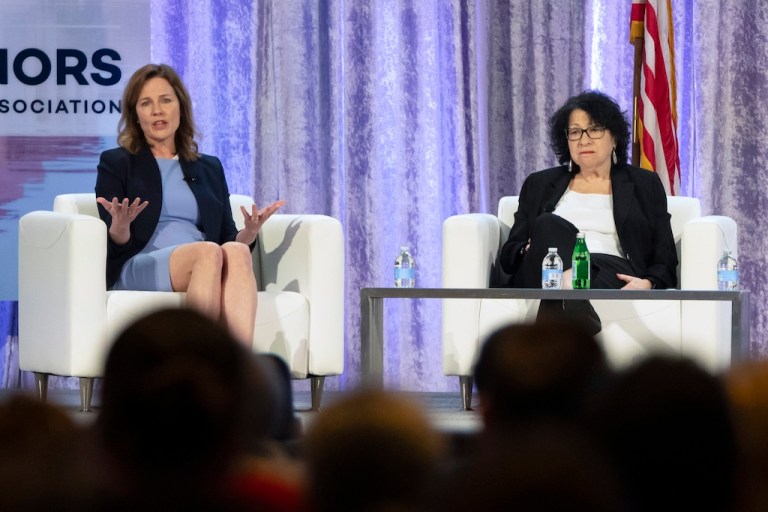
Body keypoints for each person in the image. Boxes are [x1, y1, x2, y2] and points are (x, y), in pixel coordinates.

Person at [95, 63, 284, 346]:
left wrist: (250, 232)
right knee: (209, 253)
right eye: (146, 103)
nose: (157, 110)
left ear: (180, 108)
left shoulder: (208, 166)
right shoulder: (117, 162)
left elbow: (226, 237)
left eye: (166, 100)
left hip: (205, 258)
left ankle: (239, 366)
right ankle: (196, 364)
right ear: (135, 115)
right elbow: (116, 242)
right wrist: (119, 225)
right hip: (140, 262)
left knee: (236, 251)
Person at [498, 90, 677, 333]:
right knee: (548, 224)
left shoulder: (644, 184)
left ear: (614, 138)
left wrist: (649, 282)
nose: (584, 139)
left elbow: (664, 253)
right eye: (575, 132)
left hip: (610, 271)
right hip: (544, 267)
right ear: (567, 141)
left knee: (566, 274)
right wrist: (529, 248)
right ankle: (575, 294)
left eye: (595, 129)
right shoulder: (539, 183)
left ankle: (566, 297)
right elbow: (509, 255)